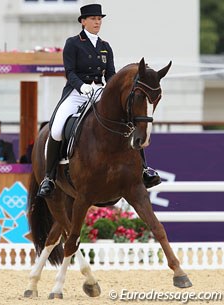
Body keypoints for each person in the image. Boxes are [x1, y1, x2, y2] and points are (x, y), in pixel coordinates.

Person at [38, 3, 160, 198]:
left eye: (99, 19)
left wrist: (109, 91)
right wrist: (82, 86)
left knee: (128, 123)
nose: (97, 22)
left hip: (100, 91)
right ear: (83, 21)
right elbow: (69, 72)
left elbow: (111, 74)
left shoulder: (105, 47)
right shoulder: (73, 43)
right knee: (57, 128)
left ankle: (144, 169)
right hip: (77, 92)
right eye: (93, 19)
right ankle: (49, 177)